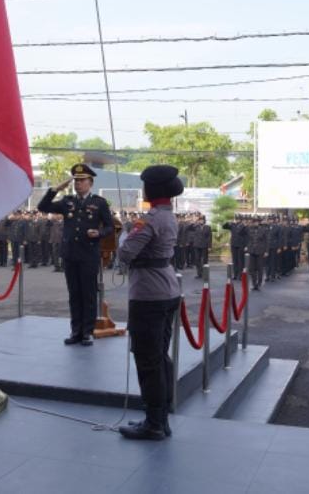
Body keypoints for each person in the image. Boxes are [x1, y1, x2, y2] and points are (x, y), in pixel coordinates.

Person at [117, 165, 183, 442]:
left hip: (148, 294)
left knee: (147, 359)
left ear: (151, 190)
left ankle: (154, 423)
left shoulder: (150, 220)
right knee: (159, 357)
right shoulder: (168, 216)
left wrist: (124, 231)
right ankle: (161, 418)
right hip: (167, 289)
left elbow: (125, 253)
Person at [38, 163, 114, 347]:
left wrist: (100, 233)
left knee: (88, 294)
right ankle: (76, 331)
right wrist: (56, 189)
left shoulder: (99, 203)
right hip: (71, 254)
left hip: (89, 254)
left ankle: (87, 331)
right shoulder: (67, 202)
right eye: (76, 181)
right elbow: (43, 206)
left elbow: (111, 226)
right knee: (74, 294)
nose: (78, 184)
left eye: (82, 181)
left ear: (90, 182)